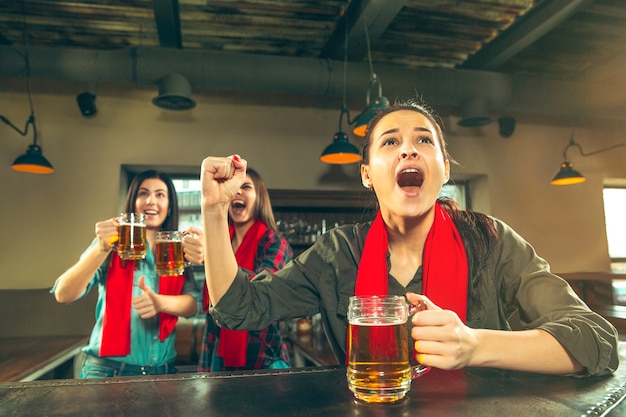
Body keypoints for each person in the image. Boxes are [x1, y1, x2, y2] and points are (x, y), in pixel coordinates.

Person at [199, 98, 619, 377]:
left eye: (423, 139)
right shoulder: (336, 253)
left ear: (445, 169)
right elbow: (239, 309)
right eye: (390, 141)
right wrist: (215, 211)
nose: (408, 150)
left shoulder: (491, 240)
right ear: (367, 174)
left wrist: (475, 345)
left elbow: (598, 341)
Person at [52, 170, 204, 378]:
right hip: (106, 372)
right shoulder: (110, 244)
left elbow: (194, 304)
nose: (151, 201)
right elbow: (64, 294)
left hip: (163, 374)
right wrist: (100, 248)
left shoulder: (176, 250)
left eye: (160, 195)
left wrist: (160, 303)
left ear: (169, 207)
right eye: (143, 193)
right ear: (133, 202)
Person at [198, 168, 293, 371]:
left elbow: (263, 291)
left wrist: (213, 258)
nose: (238, 192)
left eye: (246, 187)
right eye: (234, 188)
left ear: (259, 198)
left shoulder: (275, 243)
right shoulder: (219, 243)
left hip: (264, 357)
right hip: (218, 353)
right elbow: (210, 306)